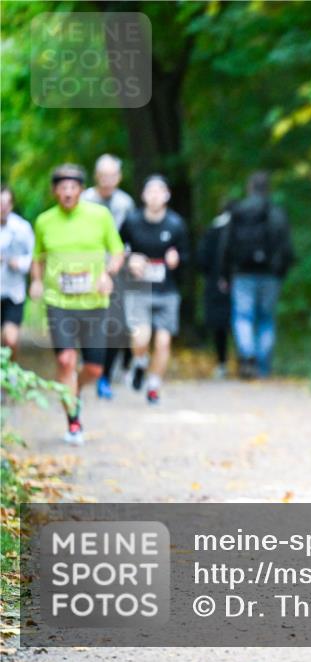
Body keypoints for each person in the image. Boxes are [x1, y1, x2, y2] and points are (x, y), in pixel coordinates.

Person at [30, 164, 124, 445]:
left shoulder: (100, 216)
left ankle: (74, 387)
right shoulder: (44, 221)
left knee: (94, 369)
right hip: (59, 301)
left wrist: (108, 274)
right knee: (65, 359)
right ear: (55, 191)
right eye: (62, 187)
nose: (68, 192)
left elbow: (117, 252)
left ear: (82, 190)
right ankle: (73, 421)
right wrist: (36, 280)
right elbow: (38, 258)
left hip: (94, 301)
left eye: (73, 187)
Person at [119, 175, 189, 405]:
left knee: (163, 342)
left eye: (160, 191)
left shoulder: (176, 224)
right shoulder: (132, 221)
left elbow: (187, 255)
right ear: (143, 195)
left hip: (166, 290)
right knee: (140, 338)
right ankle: (139, 363)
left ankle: (154, 384)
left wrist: (176, 258)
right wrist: (131, 260)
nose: (155, 196)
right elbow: (118, 249)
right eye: (150, 191)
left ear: (167, 195)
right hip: (139, 289)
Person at [222, 171, 294, 379]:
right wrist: (281, 271)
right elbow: (286, 247)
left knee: (243, 316)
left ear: (249, 187)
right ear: (268, 188)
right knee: (266, 318)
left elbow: (226, 245)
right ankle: (262, 368)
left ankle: (248, 354)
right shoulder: (277, 213)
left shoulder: (238, 212)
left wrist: (225, 273)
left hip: (242, 274)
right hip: (271, 275)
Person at [82, 154, 136, 400]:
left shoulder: (126, 203)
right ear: (96, 176)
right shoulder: (84, 200)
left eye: (112, 175)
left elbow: (132, 238)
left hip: (117, 271)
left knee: (116, 324)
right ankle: (90, 366)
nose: (107, 180)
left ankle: (104, 374)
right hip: (86, 270)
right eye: (103, 175)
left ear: (119, 177)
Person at [197, 201, 234, 379]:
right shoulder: (239, 229)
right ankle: (249, 361)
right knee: (243, 321)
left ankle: (222, 362)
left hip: (215, 283)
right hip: (239, 282)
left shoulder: (212, 230)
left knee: (220, 326)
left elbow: (202, 260)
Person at [1, 185, 35, 360]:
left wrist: (18, 263)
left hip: (14, 292)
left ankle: (11, 374)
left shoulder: (22, 228)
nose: (2, 208)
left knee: (10, 339)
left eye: (6, 203)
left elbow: (34, 257)